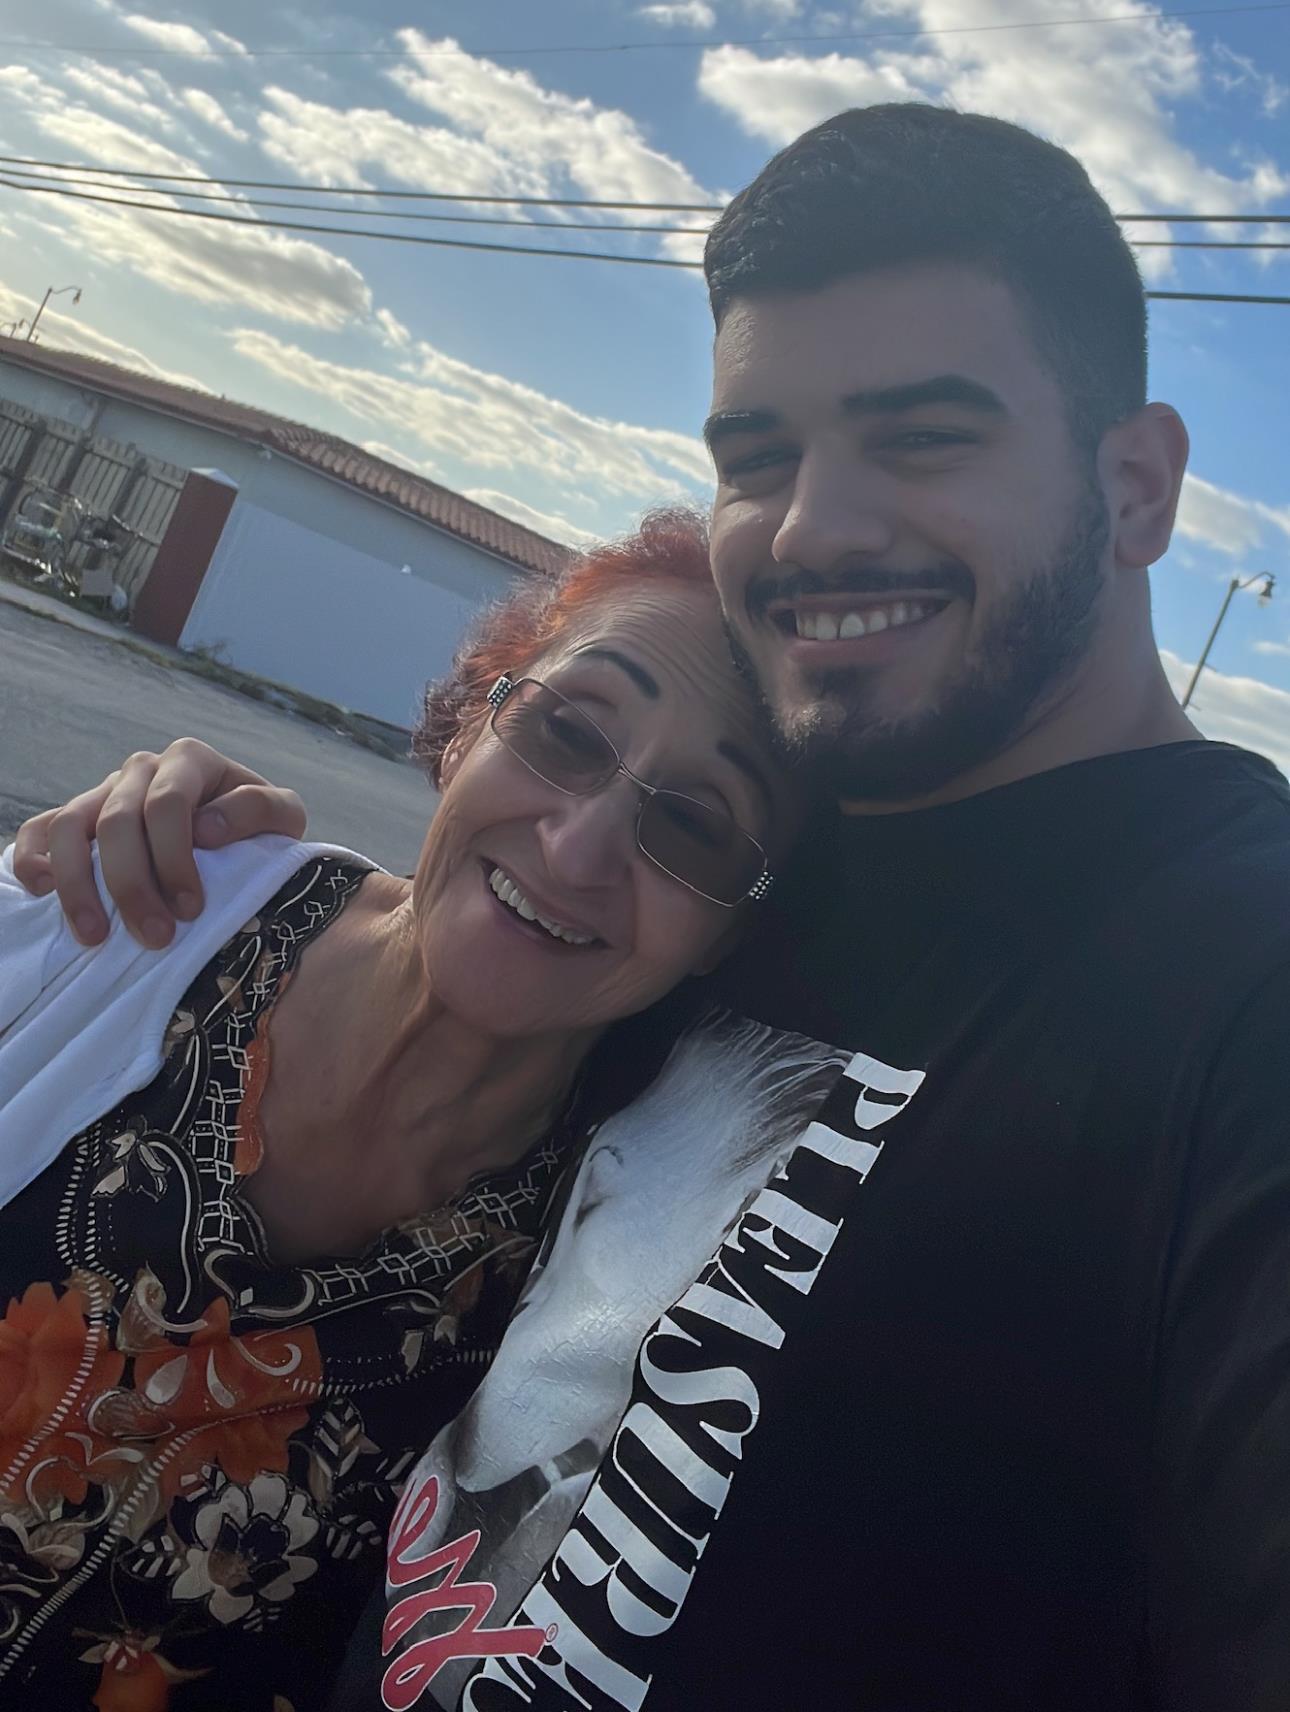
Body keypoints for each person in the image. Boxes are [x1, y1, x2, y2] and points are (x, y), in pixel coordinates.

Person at [15, 104, 1290, 1711]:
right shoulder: (755, 893)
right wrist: (172, 873)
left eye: (922, 436)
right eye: (757, 457)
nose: (814, 525)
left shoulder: (1239, 978)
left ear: (1137, 486)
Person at [0, 513, 836, 1712]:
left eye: (695, 824)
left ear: (729, 934)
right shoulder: (136, 903)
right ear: (471, 724)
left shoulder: (598, 1293)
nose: (578, 846)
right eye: (566, 730)